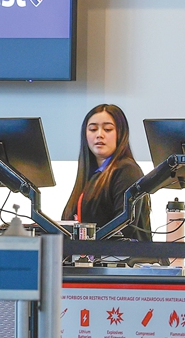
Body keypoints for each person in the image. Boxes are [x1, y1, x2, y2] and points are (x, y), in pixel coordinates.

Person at [61, 103, 152, 240]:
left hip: (123, 258)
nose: (99, 135)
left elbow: (123, 229)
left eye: (108, 129)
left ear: (120, 134)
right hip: (92, 258)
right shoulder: (90, 176)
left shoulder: (127, 170)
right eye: (92, 129)